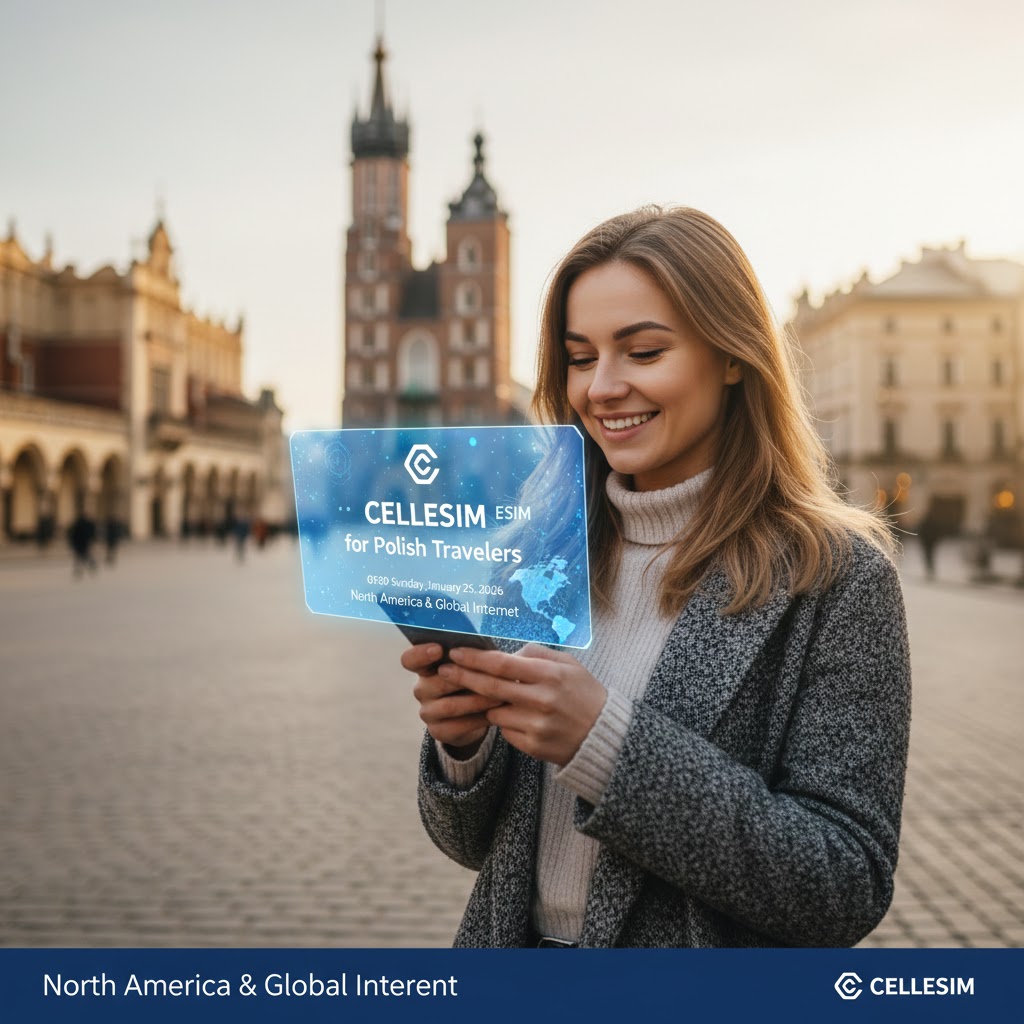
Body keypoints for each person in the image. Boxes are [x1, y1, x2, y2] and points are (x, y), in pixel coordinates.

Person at [402, 207, 911, 948]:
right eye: (580, 358)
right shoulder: (534, 553)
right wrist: (463, 750)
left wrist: (604, 744)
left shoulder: (836, 577)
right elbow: (475, 846)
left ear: (733, 355)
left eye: (642, 352)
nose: (603, 388)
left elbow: (844, 883)